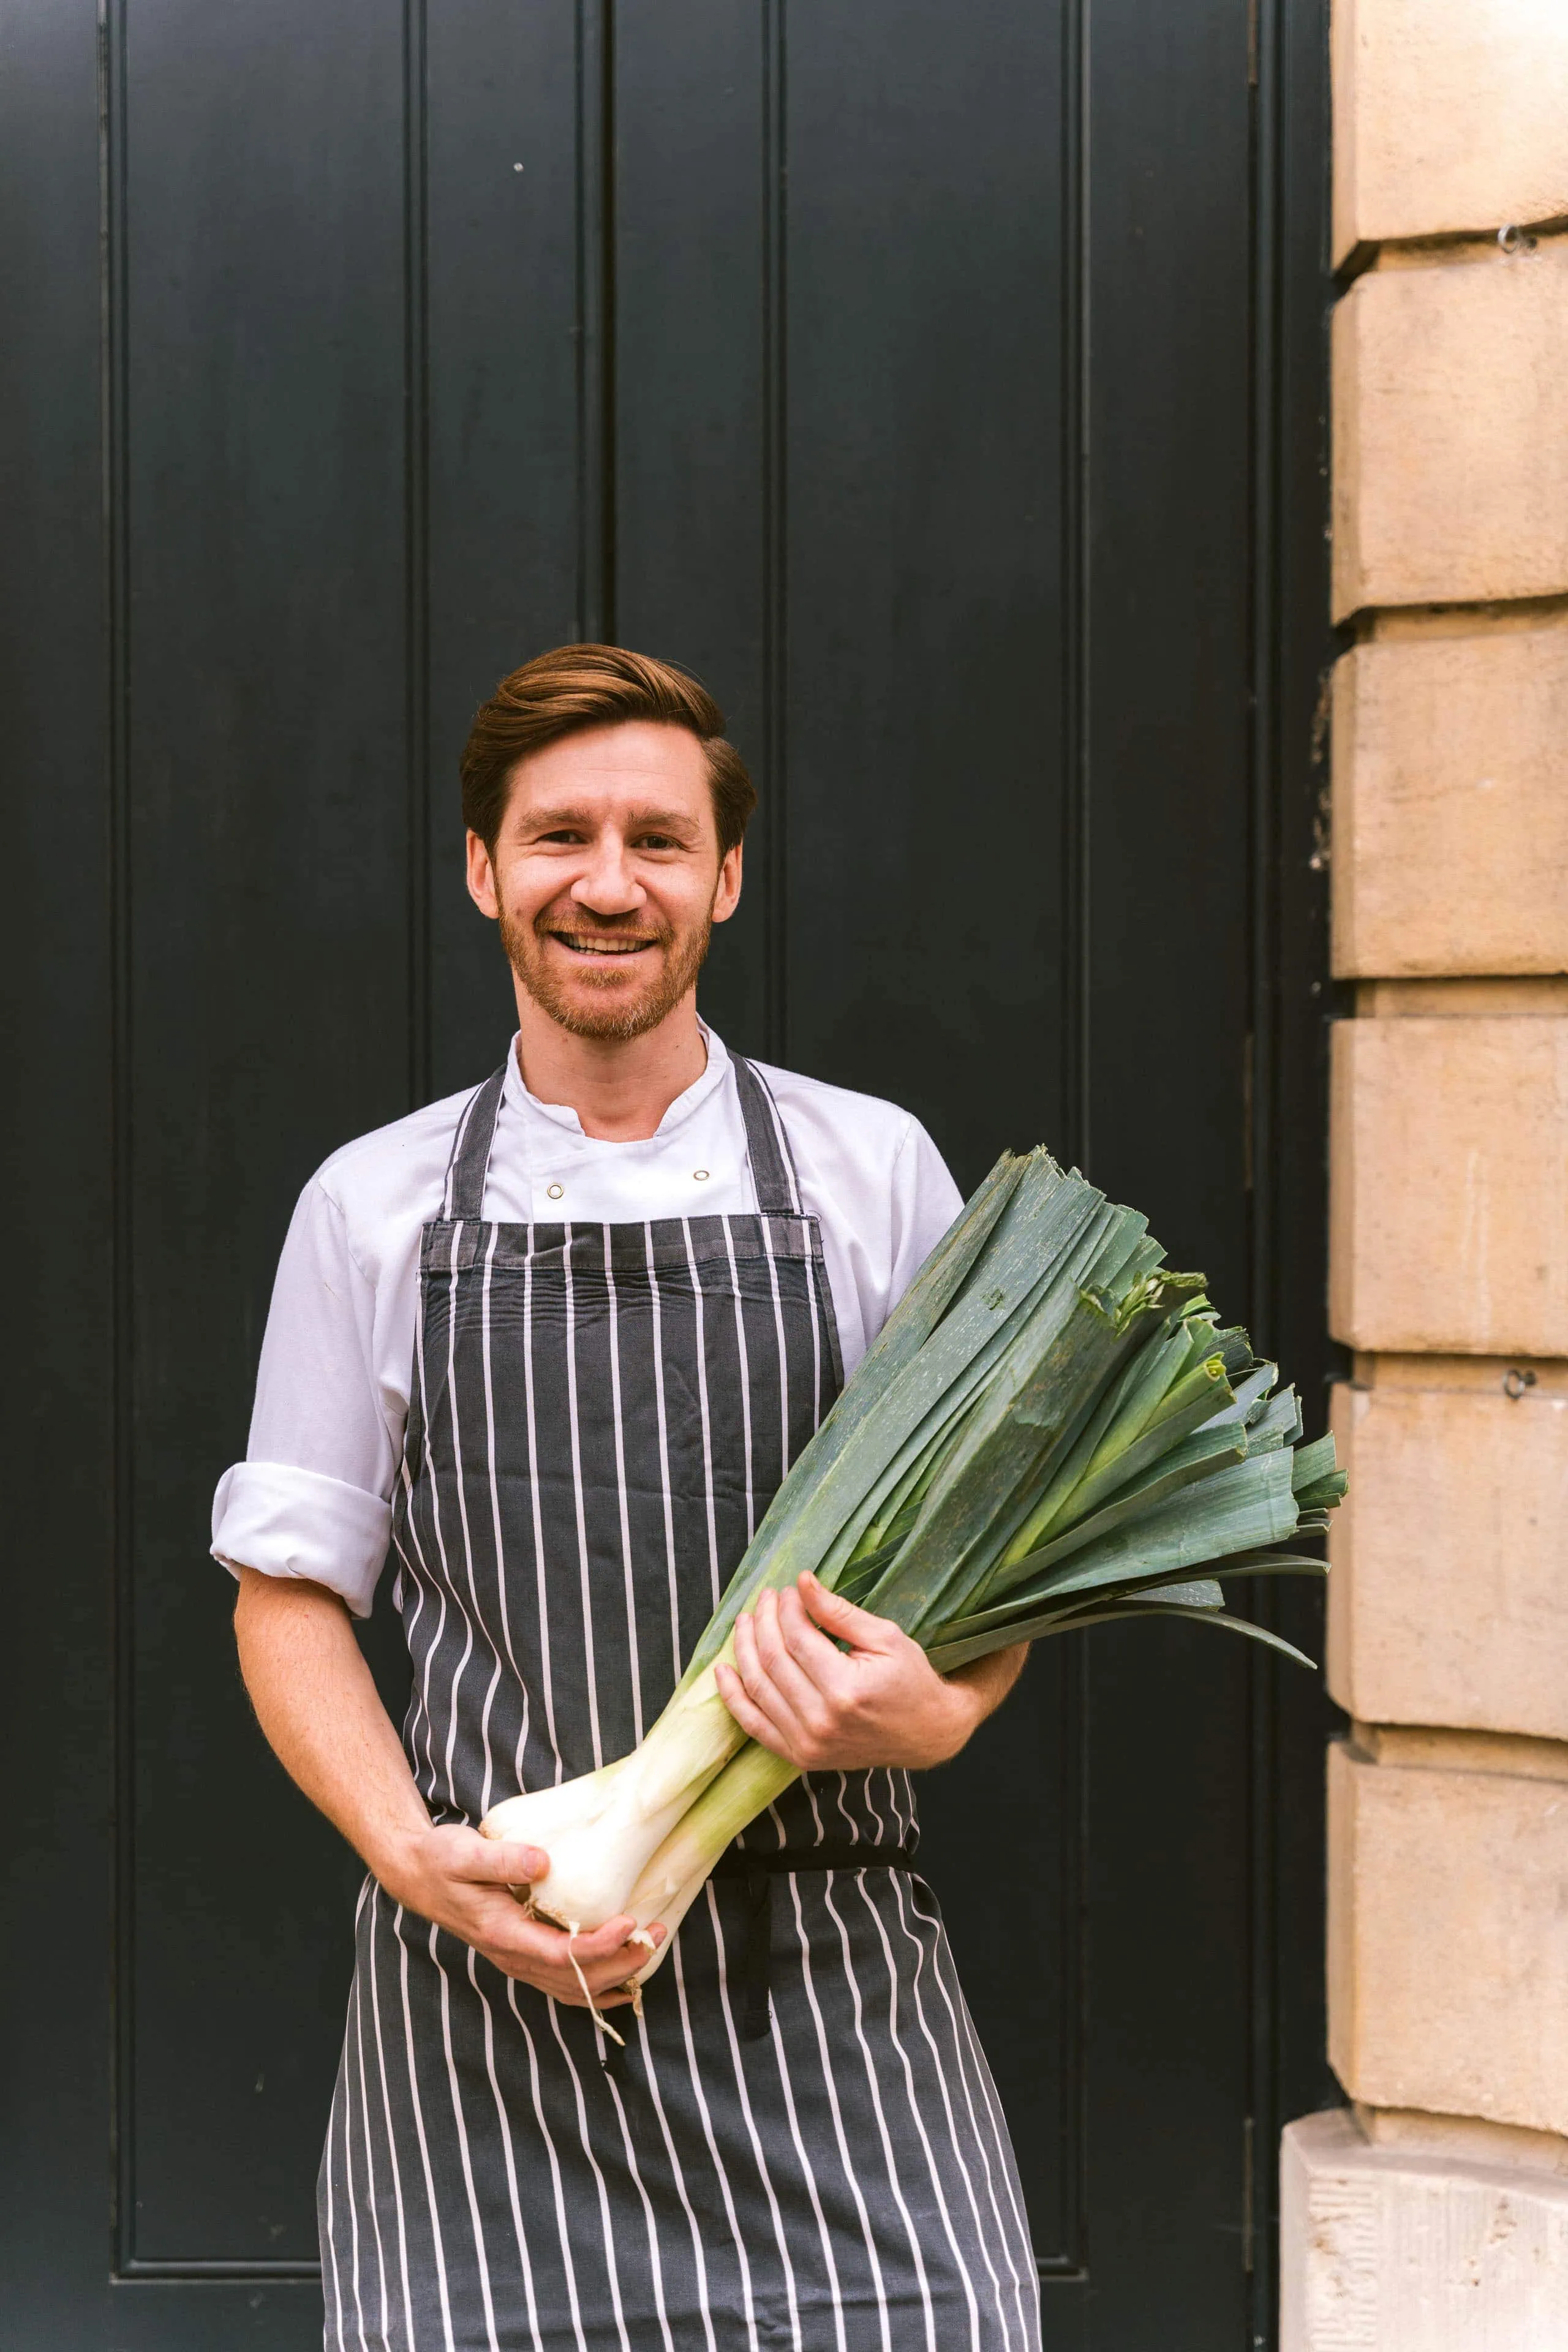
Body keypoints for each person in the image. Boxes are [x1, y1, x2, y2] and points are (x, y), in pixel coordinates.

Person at [215, 644, 1040, 2351]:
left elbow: (995, 1570)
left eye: (658, 841)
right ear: (481, 869)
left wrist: (940, 1710)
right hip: (483, 1989)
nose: (609, 884)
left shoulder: (871, 1173)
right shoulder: (367, 1211)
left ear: (725, 879)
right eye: (558, 837)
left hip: (827, 1983)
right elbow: (288, 1596)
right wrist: (410, 1858)